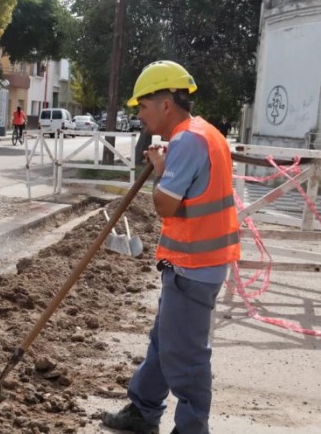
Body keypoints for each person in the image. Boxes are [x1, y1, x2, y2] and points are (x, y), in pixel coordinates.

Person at [102, 61, 240, 434]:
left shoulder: (187, 140)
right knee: (164, 343)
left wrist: (161, 170)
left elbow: (165, 204)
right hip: (193, 264)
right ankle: (143, 410)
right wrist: (166, 167)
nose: (140, 116)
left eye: (143, 107)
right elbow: (188, 196)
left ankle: (192, 428)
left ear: (165, 104)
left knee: (188, 356)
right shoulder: (205, 133)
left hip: (194, 268)